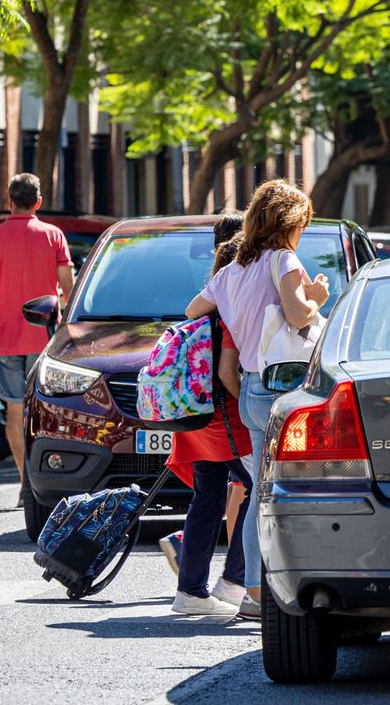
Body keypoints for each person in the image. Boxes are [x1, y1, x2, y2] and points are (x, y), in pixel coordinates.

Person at [186, 179, 329, 619]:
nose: (302, 233)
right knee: (306, 485)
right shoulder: (283, 259)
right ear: (289, 223)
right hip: (284, 387)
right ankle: (309, 577)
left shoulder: (231, 272)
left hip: (249, 390)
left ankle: (253, 592)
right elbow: (297, 313)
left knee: (260, 493)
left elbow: (193, 311)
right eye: (302, 224)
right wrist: (316, 296)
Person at [162, 213, 253, 616]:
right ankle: (234, 582)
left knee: (207, 497)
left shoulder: (206, 298)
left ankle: (191, 591)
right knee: (259, 488)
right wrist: (247, 405)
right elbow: (227, 371)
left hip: (196, 415)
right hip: (228, 417)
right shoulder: (233, 297)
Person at [0, 173, 74, 502]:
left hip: (6, 339)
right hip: (46, 339)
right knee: (46, 412)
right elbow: (68, 287)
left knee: (15, 412)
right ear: (39, 202)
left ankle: (25, 483)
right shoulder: (53, 235)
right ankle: (51, 479)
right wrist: (68, 329)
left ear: (9, 201)